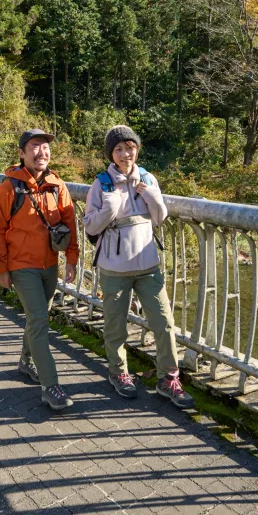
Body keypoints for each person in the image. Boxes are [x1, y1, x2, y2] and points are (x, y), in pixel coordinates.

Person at [82, 125, 194, 409]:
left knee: (164, 323)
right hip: (114, 268)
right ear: (111, 153)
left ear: (137, 149)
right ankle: (119, 373)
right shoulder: (101, 183)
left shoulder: (147, 177)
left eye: (129, 147)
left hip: (148, 265)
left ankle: (169, 378)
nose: (124, 153)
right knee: (115, 326)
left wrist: (152, 196)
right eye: (118, 149)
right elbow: (90, 226)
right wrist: (111, 206)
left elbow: (158, 218)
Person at [0, 129, 79, 411]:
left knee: (37, 317)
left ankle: (26, 361)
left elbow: (70, 222)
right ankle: (50, 385)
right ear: (22, 153)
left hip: (49, 264)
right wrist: (2, 268)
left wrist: (72, 259)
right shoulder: (8, 188)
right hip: (22, 266)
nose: (42, 152)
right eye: (35, 147)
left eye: (45, 147)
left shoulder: (56, 185)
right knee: (39, 321)